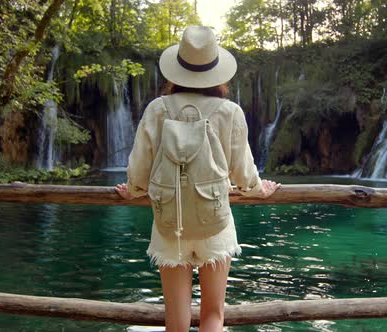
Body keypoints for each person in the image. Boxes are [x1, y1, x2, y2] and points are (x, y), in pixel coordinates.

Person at [115, 26, 280, 332]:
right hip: (213, 221)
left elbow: (139, 168)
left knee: (176, 321)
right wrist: (260, 190)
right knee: (213, 315)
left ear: (176, 71)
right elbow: (243, 173)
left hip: (168, 223)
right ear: (217, 73)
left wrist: (134, 191)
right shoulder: (229, 111)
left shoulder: (157, 109)